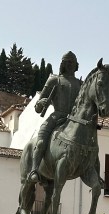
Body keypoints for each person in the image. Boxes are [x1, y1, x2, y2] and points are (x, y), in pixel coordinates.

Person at [28, 51, 83, 184]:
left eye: (72, 62)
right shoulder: (54, 80)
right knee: (41, 142)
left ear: (76, 65)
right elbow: (37, 106)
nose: (69, 64)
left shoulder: (81, 84)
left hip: (73, 120)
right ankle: (34, 170)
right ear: (62, 64)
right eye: (67, 62)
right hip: (56, 117)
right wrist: (41, 103)